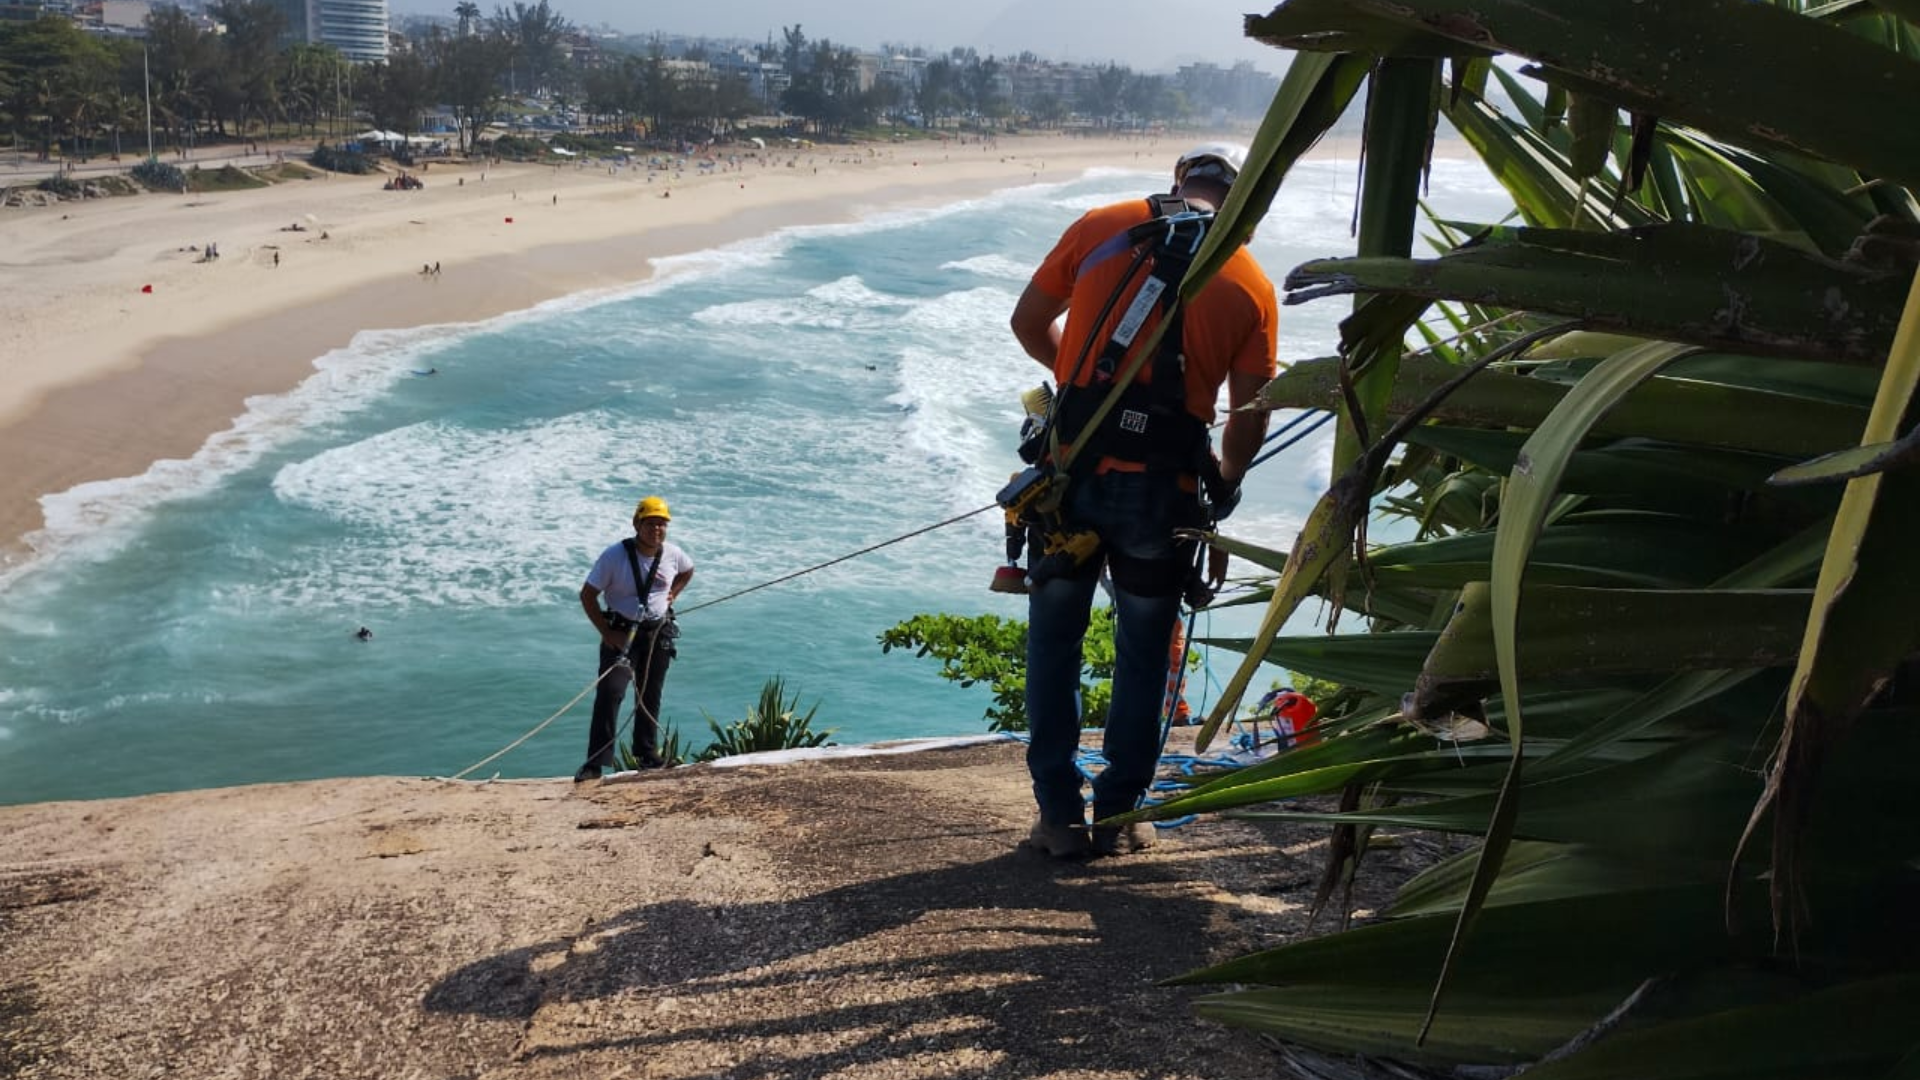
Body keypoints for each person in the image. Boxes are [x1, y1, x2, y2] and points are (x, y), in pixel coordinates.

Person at [1007, 143, 1277, 858]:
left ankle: (1059, 817)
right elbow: (1250, 415)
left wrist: (1079, 383)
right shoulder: (1250, 282)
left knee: (1055, 644)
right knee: (1143, 653)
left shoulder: (1105, 224)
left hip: (1070, 478)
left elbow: (1028, 324)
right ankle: (1122, 815)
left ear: (1177, 186)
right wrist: (1227, 475)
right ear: (1240, 207)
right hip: (1164, 495)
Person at [575, 495, 695, 782]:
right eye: (651, 523)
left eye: (662, 524)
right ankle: (595, 763)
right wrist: (607, 633)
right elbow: (588, 595)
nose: (656, 529)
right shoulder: (614, 556)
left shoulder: (673, 554)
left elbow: (688, 571)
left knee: (649, 695)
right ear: (637, 524)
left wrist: (673, 594)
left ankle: (646, 754)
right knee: (610, 694)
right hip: (621, 633)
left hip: (656, 634)